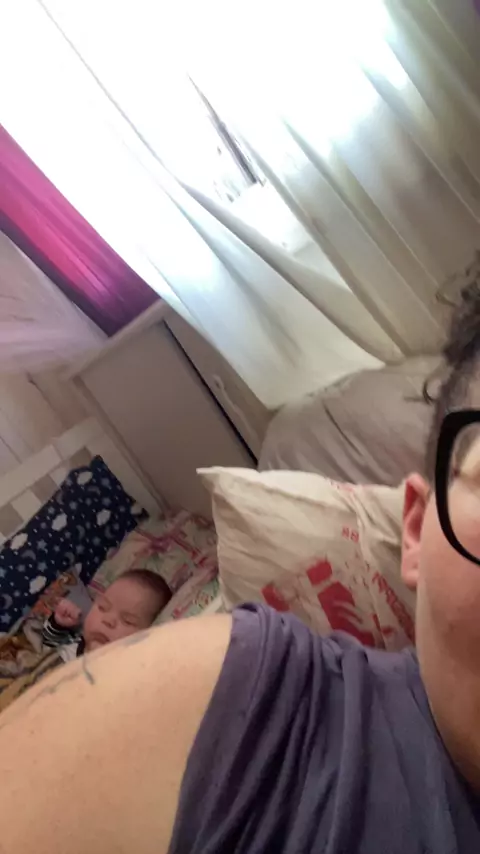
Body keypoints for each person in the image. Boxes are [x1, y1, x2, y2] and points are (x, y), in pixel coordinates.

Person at [2, 291, 480, 854]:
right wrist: (63, 622)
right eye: (104, 608)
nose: (105, 622)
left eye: (125, 620)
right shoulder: (235, 691)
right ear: (417, 529)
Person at [42, 569, 172, 657]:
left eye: (127, 621)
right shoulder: (74, 643)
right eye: (102, 607)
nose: (108, 620)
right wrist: (58, 624)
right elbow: (47, 647)